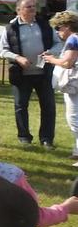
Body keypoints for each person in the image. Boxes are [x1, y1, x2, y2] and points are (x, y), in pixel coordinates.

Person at [0, 0, 61, 146]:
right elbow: (1, 49)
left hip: (43, 73)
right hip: (21, 74)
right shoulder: (11, 28)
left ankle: (46, 139)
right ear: (19, 10)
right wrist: (17, 57)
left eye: (34, 6)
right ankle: (24, 137)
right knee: (20, 106)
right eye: (28, 7)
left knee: (49, 106)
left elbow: (59, 42)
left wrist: (50, 53)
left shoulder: (44, 25)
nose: (33, 9)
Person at [43, 11, 78, 164]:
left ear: (67, 26)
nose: (57, 32)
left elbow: (67, 63)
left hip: (75, 86)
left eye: (58, 28)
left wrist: (51, 59)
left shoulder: (73, 39)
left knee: (74, 119)